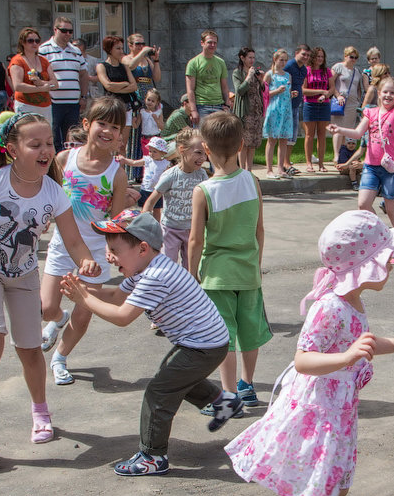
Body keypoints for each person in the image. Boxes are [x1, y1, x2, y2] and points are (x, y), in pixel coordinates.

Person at [225, 210, 394, 496]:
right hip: (318, 411)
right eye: (384, 259)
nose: (391, 264)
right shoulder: (330, 306)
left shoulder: (351, 300)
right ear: (363, 266)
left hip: (339, 410)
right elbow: (303, 359)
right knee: (320, 492)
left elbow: (358, 342)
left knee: (337, 488)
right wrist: (345, 359)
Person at [0, 113, 101, 464]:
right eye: (36, 144)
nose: (46, 150)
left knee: (30, 350)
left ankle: (41, 411)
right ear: (13, 149)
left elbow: (73, 240)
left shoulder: (54, 193)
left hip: (25, 274)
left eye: (49, 143)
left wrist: (86, 260)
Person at [60, 210, 241, 476]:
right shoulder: (145, 269)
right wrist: (82, 289)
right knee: (172, 375)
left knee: (158, 391)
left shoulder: (156, 276)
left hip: (203, 345)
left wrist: (83, 299)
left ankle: (152, 457)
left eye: (115, 250)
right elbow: (115, 295)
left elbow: (122, 317)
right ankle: (222, 401)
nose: (110, 257)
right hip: (206, 342)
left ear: (142, 248)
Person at [39, 97, 131, 386]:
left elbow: (114, 220)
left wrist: (113, 252)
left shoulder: (117, 174)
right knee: (46, 308)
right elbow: (47, 195)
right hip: (62, 245)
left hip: (95, 251)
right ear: (87, 124)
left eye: (114, 127)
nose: (107, 131)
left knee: (84, 313)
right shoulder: (65, 160)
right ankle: (57, 318)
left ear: (120, 135)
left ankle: (60, 358)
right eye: (102, 123)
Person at [189, 112, 272, 409]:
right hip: (248, 272)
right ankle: (247, 386)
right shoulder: (252, 180)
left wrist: (191, 274)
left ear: (206, 149)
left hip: (216, 276)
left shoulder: (203, 191)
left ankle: (229, 396)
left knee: (224, 336)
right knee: (250, 332)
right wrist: (256, 263)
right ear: (240, 146)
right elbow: (259, 230)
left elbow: (195, 240)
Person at [327, 74, 394, 241]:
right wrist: (339, 130)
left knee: (391, 209)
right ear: (379, 93)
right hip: (371, 167)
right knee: (363, 205)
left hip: (390, 169)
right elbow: (358, 132)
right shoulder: (371, 112)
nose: (388, 96)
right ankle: (382, 236)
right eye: (385, 92)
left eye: (392, 93)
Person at [143, 128, 208, 265]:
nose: (203, 158)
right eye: (198, 153)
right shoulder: (171, 175)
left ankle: (187, 286)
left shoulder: (202, 175)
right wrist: (145, 224)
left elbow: (207, 201)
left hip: (192, 229)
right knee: (168, 265)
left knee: (190, 266)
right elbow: (151, 201)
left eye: (204, 153)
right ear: (182, 150)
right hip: (171, 229)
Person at [39, 17, 89, 153]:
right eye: (64, 31)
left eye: (70, 31)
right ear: (55, 30)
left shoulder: (76, 51)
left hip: (73, 103)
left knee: (72, 138)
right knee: (53, 138)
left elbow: (83, 75)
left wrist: (84, 96)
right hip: (53, 102)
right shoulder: (43, 50)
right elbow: (39, 75)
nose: (67, 34)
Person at [95, 36, 140, 166]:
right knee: (108, 143)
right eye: (118, 48)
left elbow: (133, 86)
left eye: (121, 48)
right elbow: (107, 85)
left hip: (126, 108)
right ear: (109, 49)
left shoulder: (124, 67)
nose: (121, 51)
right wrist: (124, 84)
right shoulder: (102, 66)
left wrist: (117, 86)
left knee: (122, 145)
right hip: (111, 108)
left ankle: (121, 173)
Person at [123, 33, 162, 164]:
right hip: (137, 96)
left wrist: (156, 60)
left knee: (149, 128)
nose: (141, 46)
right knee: (136, 132)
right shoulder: (127, 58)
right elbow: (131, 66)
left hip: (149, 95)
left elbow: (156, 78)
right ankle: (135, 168)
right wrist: (143, 52)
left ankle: (148, 164)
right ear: (130, 45)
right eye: (137, 44)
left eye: (142, 44)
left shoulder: (147, 61)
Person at [262, 49, 298, 178]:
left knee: (284, 140)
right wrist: (276, 90)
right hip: (274, 109)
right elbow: (263, 94)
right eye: (281, 60)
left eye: (285, 60)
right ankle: (269, 170)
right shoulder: (269, 74)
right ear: (275, 59)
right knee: (272, 140)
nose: (283, 62)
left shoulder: (288, 76)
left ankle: (280, 168)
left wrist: (291, 94)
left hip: (286, 110)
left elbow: (288, 92)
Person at [329, 46, 369, 161]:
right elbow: (331, 83)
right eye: (351, 57)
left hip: (352, 104)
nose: (353, 59)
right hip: (340, 103)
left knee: (347, 129)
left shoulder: (356, 71)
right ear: (345, 56)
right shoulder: (338, 67)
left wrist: (358, 100)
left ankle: (343, 154)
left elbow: (358, 88)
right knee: (338, 128)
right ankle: (336, 155)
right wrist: (337, 95)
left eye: (356, 57)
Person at [8, 27, 56, 120]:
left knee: (45, 134)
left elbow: (55, 83)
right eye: (30, 41)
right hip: (26, 106)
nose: (34, 43)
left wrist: (41, 83)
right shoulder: (17, 61)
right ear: (22, 42)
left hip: (45, 107)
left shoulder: (44, 61)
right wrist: (41, 88)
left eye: (37, 41)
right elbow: (18, 86)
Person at [185, 30, 230, 125]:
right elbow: (190, 89)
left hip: (219, 106)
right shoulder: (193, 63)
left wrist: (227, 105)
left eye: (215, 43)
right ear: (202, 43)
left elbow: (225, 87)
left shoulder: (221, 62)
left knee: (220, 138)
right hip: (201, 106)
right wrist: (193, 110)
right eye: (209, 42)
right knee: (202, 138)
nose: (212, 45)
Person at [301, 47, 335, 172]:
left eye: (322, 56)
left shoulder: (327, 71)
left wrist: (325, 95)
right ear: (313, 57)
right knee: (309, 135)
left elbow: (331, 88)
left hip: (324, 105)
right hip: (310, 105)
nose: (320, 59)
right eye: (318, 56)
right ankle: (309, 162)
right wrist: (320, 91)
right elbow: (303, 90)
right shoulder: (307, 70)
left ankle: (321, 164)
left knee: (322, 135)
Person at [231, 47, 265, 172]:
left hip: (256, 112)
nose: (252, 60)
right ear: (242, 58)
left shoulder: (254, 73)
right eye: (249, 57)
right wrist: (249, 76)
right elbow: (239, 90)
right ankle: (242, 170)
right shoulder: (237, 73)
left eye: (253, 57)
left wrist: (261, 80)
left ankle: (249, 171)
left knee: (253, 143)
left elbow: (260, 91)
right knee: (244, 142)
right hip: (245, 113)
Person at [119, 135, 172, 213]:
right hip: (146, 188)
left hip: (158, 190)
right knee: (144, 209)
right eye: (150, 151)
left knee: (157, 209)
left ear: (162, 152)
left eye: (155, 151)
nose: (151, 154)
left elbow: (168, 175)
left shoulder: (165, 163)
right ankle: (144, 223)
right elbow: (134, 162)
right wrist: (125, 160)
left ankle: (156, 224)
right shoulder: (147, 160)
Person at [284, 44, 311, 143]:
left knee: (292, 137)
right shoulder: (288, 66)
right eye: (303, 54)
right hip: (286, 105)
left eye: (308, 55)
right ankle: (283, 159)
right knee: (285, 136)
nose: (306, 57)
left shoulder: (304, 69)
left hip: (296, 104)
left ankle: (287, 159)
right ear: (296, 53)